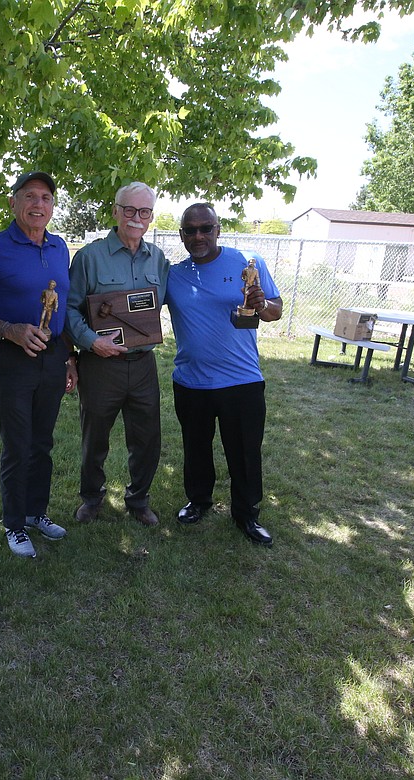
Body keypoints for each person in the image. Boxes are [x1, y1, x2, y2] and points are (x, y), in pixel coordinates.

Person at [0, 171, 77, 557]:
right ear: (13, 203)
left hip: (52, 356)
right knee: (17, 444)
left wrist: (68, 357)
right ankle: (14, 523)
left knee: (42, 442)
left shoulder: (60, 248)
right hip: (12, 356)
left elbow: (60, 308)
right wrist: (9, 330)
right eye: (30, 196)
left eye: (46, 198)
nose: (38, 204)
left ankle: (36, 512)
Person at [164, 203, 282, 546]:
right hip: (191, 381)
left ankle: (247, 513)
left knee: (245, 451)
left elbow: (275, 311)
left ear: (218, 229)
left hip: (242, 380)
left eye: (205, 228)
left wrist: (261, 304)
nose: (198, 236)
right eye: (190, 230)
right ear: (182, 235)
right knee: (195, 447)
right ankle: (198, 500)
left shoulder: (248, 262)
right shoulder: (174, 275)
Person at [65, 182, 169, 526]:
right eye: (129, 210)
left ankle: (138, 499)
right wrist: (92, 342)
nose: (136, 218)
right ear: (115, 211)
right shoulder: (89, 258)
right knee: (94, 437)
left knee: (147, 437)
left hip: (142, 365)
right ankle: (92, 498)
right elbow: (69, 310)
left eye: (144, 212)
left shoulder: (159, 259)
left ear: (151, 217)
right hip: (100, 365)